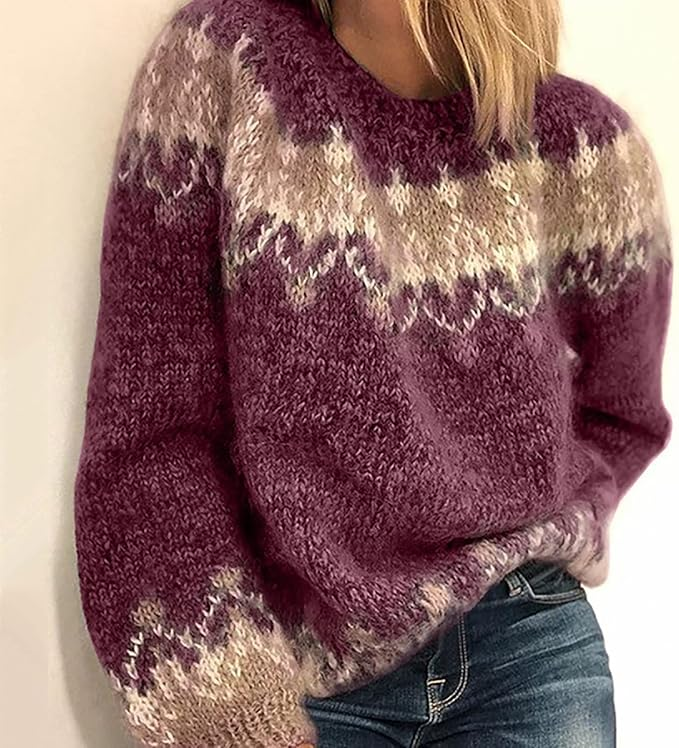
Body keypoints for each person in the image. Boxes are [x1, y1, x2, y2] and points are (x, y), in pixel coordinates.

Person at [72, 0, 673, 746]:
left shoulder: (585, 147)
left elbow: (620, 413)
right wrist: (225, 707)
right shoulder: (228, 63)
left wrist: (539, 502)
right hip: (297, 671)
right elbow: (151, 433)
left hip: (528, 645)